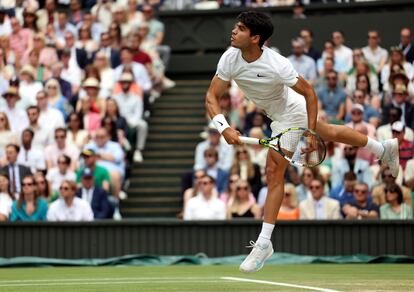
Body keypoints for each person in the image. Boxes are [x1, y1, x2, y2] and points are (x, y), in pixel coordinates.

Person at [205, 11, 398, 273]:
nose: (234, 31)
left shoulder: (277, 63)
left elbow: (309, 92)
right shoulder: (230, 57)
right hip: (276, 114)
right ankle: (383, 147)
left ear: (255, 38)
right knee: (330, 131)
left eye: (240, 29)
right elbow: (211, 97)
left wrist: (308, 133)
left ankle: (264, 243)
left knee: (273, 171)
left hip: (292, 112)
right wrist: (223, 127)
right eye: (236, 27)